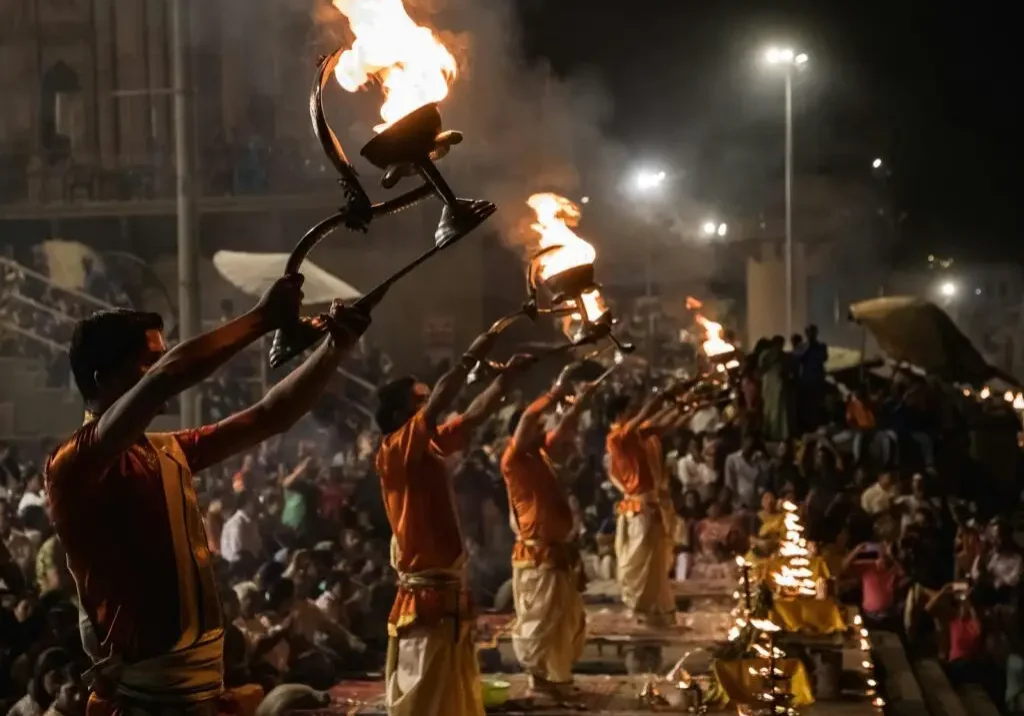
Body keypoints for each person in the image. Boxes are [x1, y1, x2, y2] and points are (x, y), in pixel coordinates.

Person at [44, 275, 370, 716]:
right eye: (147, 362)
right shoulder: (74, 464)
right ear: (103, 379)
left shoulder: (167, 450)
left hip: (200, 695)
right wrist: (260, 319)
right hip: (145, 702)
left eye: (160, 359)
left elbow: (270, 416)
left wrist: (336, 349)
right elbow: (166, 379)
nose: (161, 370)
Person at [374, 327, 522, 716]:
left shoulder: (430, 444)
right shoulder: (393, 452)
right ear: (397, 415)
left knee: (452, 690)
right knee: (423, 690)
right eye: (417, 401)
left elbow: (472, 417)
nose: (427, 405)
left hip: (448, 586)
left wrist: (505, 381)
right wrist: (477, 348)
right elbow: (442, 399)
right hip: (426, 592)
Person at [500, 365, 595, 701]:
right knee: (539, 623)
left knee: (566, 620)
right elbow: (527, 420)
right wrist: (556, 389)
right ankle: (539, 681)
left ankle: (556, 677)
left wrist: (581, 402)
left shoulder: (539, 453)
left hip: (557, 554)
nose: (544, 429)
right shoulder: (513, 458)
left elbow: (565, 425)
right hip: (536, 557)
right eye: (538, 426)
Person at [606, 391, 675, 626]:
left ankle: (655, 615)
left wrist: (684, 406)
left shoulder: (635, 434)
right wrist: (661, 398)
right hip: (638, 509)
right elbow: (646, 416)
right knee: (640, 563)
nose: (636, 412)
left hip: (649, 505)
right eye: (631, 409)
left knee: (654, 563)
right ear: (620, 415)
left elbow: (663, 426)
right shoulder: (617, 438)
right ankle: (641, 612)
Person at [220, 492, 262, 563]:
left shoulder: (251, 520)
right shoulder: (236, 523)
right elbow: (237, 550)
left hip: (252, 559)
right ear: (245, 505)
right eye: (253, 502)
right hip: (239, 564)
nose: (255, 505)